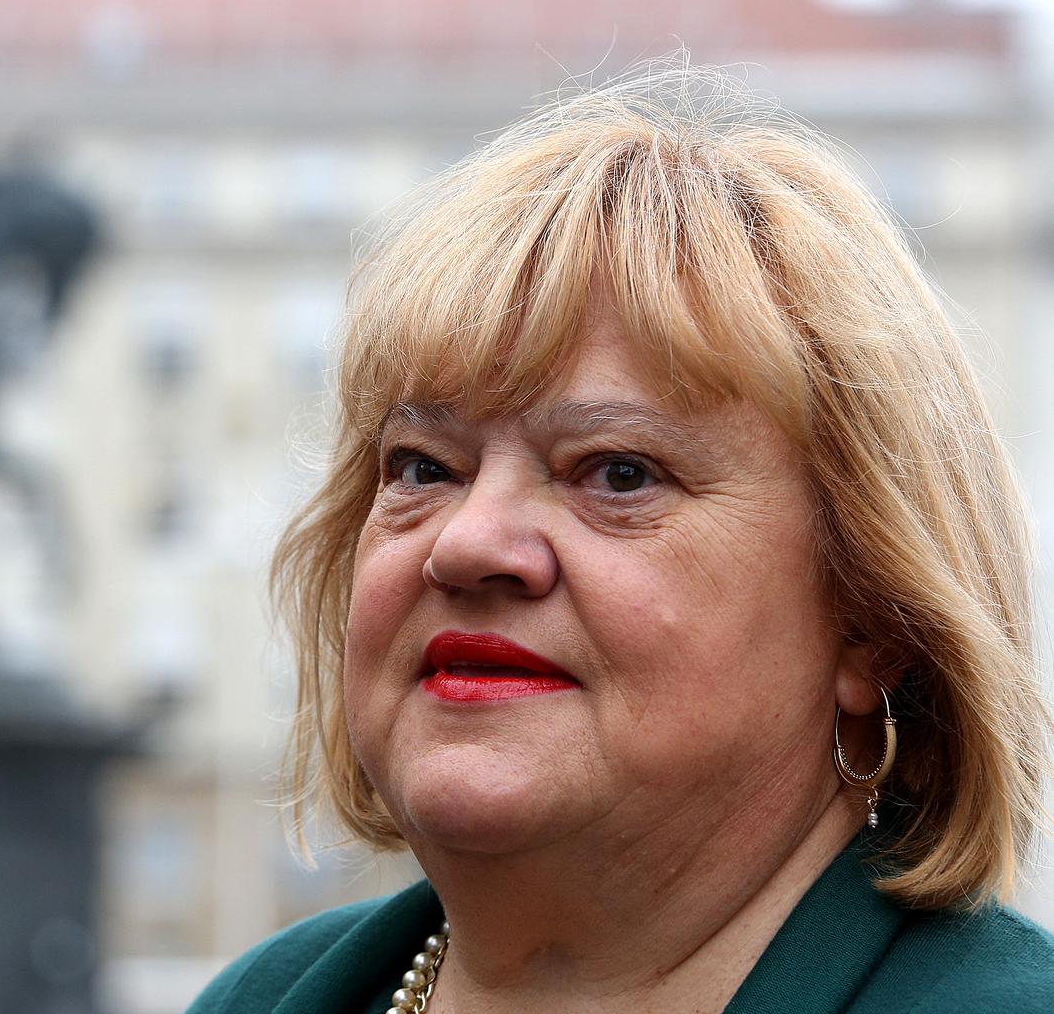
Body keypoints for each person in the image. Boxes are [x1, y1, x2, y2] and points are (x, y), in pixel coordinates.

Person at [188, 68, 1054, 1013]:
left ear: (871, 620)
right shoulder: (265, 998)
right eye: (423, 468)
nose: (467, 543)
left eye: (618, 474)